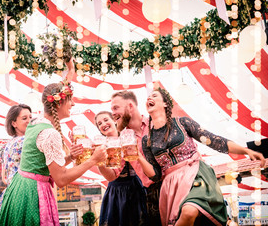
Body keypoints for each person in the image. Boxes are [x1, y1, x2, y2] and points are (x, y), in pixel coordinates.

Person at [138, 87, 266, 226]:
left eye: (154, 96)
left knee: (189, 212)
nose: (149, 98)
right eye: (148, 97)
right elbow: (155, 175)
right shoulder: (147, 140)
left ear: (165, 104)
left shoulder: (182, 123)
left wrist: (246, 151)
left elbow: (215, 141)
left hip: (195, 176)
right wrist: (137, 156)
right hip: (172, 185)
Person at [0, 81, 107, 226]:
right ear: (59, 103)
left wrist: (69, 157)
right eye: (70, 100)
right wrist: (93, 160)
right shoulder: (49, 133)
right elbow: (61, 179)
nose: (73, 104)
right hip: (33, 194)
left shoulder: (35, 123)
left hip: (20, 190)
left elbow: (41, 163)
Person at [110, 91, 161, 225]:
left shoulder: (156, 123)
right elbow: (112, 175)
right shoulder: (121, 140)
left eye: (116, 108)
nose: (113, 113)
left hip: (173, 185)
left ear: (130, 106)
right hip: (151, 194)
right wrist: (97, 160)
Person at [94, 111, 149, 226]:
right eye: (99, 124)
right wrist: (98, 161)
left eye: (105, 120)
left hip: (134, 187)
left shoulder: (128, 138)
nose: (103, 124)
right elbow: (109, 177)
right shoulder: (101, 147)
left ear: (114, 120)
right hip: (115, 190)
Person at [0, 104, 32, 226]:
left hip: (8, 197)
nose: (29, 121)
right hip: (24, 196)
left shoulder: (6, 146)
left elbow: (5, 178)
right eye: (24, 118)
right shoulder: (27, 141)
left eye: (30, 117)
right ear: (14, 123)